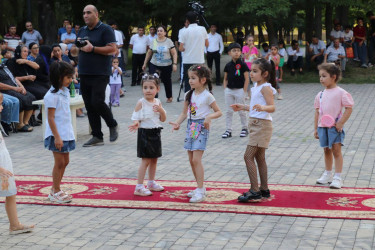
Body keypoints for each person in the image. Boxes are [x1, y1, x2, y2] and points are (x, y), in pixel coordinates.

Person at [169, 65, 222, 203]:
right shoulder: (189, 94)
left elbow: (218, 111)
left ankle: (200, 189)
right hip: (190, 126)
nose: (190, 81)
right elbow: (184, 113)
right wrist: (177, 123)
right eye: (189, 78)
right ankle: (199, 188)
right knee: (191, 160)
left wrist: (209, 117)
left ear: (203, 80)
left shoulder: (208, 96)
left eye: (193, 78)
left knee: (196, 160)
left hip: (201, 127)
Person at [70, 4, 118, 147]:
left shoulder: (106, 29)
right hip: (84, 72)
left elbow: (112, 49)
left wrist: (93, 48)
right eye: (84, 13)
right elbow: (74, 50)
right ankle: (97, 136)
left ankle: (112, 124)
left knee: (97, 101)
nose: (85, 15)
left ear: (96, 14)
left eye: (88, 12)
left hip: (100, 72)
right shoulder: (82, 30)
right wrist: (76, 47)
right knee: (89, 105)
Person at [231, 58, 276, 202]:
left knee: (248, 156)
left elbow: (272, 107)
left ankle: (254, 190)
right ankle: (264, 189)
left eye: (255, 71)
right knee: (259, 157)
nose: (251, 73)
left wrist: (264, 108)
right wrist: (243, 107)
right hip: (256, 124)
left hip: (262, 126)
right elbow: (255, 107)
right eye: (251, 70)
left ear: (265, 74)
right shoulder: (255, 88)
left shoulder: (265, 88)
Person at [314, 63, 354, 189]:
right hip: (322, 127)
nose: (321, 79)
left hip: (334, 127)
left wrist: (341, 122)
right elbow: (317, 112)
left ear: (333, 77)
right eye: (320, 76)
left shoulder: (341, 93)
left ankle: (337, 177)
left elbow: (349, 108)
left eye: (324, 76)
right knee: (326, 150)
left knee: (336, 151)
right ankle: (327, 174)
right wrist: (316, 128)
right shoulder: (320, 94)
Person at [0, 95, 35, 234]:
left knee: (10, 192)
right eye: (0, 104)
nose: (2, 107)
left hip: (3, 159)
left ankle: (14, 224)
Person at [128, 73, 166, 196]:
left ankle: (151, 182)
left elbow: (163, 119)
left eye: (151, 88)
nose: (148, 90)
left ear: (157, 89)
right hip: (145, 133)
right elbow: (136, 117)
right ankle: (139, 186)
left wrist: (161, 110)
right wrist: (136, 124)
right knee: (146, 160)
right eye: (145, 88)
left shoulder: (158, 102)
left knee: (154, 159)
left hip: (156, 131)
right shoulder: (141, 102)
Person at [44, 61, 76, 203]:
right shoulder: (51, 95)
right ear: (58, 77)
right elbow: (50, 118)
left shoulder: (65, 92)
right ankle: (55, 191)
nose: (71, 80)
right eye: (68, 77)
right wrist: (57, 137)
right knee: (59, 163)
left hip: (66, 133)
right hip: (56, 134)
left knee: (65, 161)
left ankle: (56, 189)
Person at [142, 25, 177, 103]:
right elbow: (149, 53)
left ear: (165, 32)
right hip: (154, 64)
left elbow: (174, 53)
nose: (159, 32)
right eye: (158, 31)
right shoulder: (154, 41)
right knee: (153, 80)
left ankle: (169, 96)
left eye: (161, 31)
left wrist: (174, 64)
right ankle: (154, 97)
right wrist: (144, 63)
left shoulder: (168, 41)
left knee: (167, 80)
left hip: (166, 65)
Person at [222, 43, 249, 139]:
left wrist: (244, 91)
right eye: (234, 50)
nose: (236, 52)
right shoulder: (228, 65)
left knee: (241, 110)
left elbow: (247, 79)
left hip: (239, 90)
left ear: (241, 52)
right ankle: (228, 130)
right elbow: (225, 78)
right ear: (229, 53)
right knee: (229, 111)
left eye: (238, 50)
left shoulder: (243, 64)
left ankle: (244, 128)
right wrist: (225, 89)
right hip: (229, 90)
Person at [0, 63, 36, 132]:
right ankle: (19, 124)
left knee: (31, 97)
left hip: (14, 87)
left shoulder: (4, 66)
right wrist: (14, 88)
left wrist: (22, 87)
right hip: (6, 89)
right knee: (20, 99)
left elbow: (14, 78)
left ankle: (26, 122)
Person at [179, 11, 209, 92]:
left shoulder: (184, 31)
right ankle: (199, 96)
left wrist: (185, 48)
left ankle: (188, 98)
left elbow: (180, 48)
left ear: (187, 20)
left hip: (187, 60)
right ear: (196, 19)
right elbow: (207, 44)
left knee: (188, 79)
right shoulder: (202, 29)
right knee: (199, 78)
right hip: (199, 60)